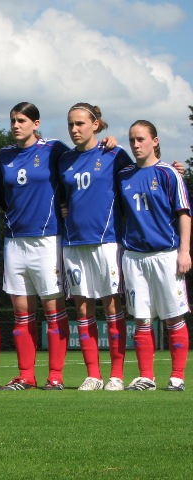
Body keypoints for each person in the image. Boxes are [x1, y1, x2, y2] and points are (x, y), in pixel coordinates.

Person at [0, 102, 72, 391]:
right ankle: (26, 375)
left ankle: (56, 376)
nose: (16, 125)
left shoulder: (54, 149)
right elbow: (1, 195)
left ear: (36, 124)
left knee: (53, 309)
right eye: (13, 120)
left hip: (47, 239)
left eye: (22, 120)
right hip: (15, 241)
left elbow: (80, 168)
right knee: (21, 313)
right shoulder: (4, 156)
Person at [59, 103, 133, 390]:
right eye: (70, 125)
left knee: (113, 308)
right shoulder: (64, 159)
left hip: (106, 242)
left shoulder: (113, 154)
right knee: (83, 311)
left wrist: (174, 168)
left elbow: (141, 174)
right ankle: (93, 374)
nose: (74, 130)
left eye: (79, 124)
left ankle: (116, 374)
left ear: (96, 124)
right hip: (74, 243)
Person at [118, 120, 190, 391]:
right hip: (134, 256)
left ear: (155, 141)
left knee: (173, 317)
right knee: (141, 319)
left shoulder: (170, 174)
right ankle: (146, 377)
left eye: (141, 139)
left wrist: (184, 251)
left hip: (166, 255)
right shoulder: (123, 174)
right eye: (132, 140)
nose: (136, 145)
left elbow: (184, 213)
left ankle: (177, 377)